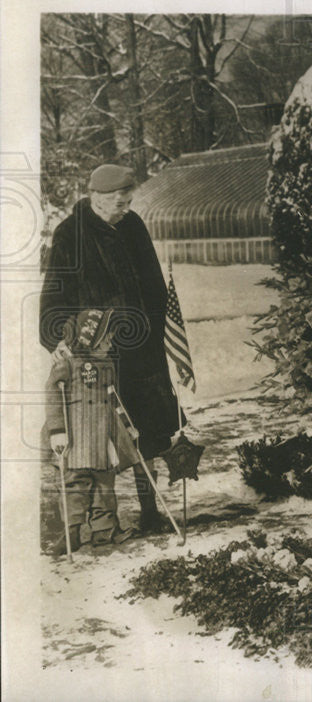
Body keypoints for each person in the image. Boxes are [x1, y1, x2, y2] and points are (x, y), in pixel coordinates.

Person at [40, 164, 180, 534]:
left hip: (142, 347)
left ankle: (151, 512)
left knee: (148, 427)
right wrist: (58, 336)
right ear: (96, 199)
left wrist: (157, 322)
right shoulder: (70, 234)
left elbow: (151, 280)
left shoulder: (133, 226)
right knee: (98, 437)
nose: (124, 208)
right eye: (118, 202)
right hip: (98, 354)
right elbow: (54, 296)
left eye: (128, 200)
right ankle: (98, 521)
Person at [44, 309, 139, 554]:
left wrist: (127, 426)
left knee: (104, 484)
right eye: (106, 338)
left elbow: (113, 398)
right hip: (75, 436)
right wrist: (57, 430)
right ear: (90, 338)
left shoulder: (107, 365)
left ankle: (104, 531)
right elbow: (53, 396)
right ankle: (71, 533)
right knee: (75, 483)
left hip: (102, 434)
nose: (110, 343)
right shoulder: (67, 363)